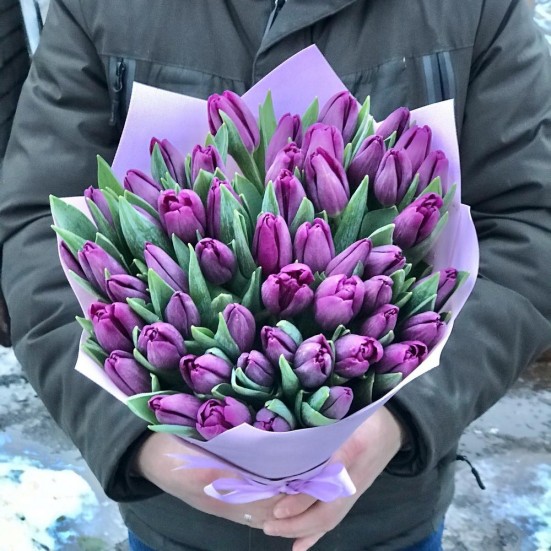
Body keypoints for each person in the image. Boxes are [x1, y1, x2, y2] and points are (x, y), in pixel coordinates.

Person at [1, 1, 550, 550]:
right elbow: (38, 230)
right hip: (174, 517)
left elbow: (529, 221)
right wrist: (136, 442)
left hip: (386, 508)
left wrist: (406, 415)